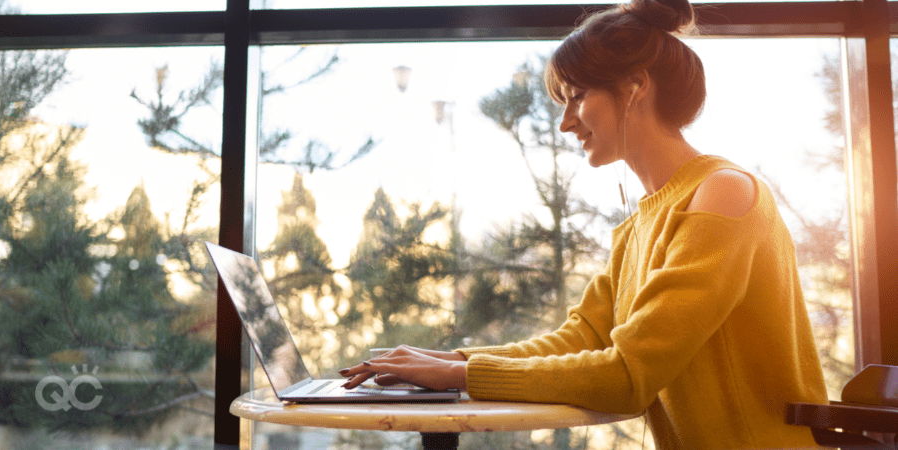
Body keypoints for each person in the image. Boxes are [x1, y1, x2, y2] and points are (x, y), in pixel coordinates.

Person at [340, 0, 830, 447]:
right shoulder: (645, 219)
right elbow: (581, 340)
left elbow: (627, 375)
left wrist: (459, 377)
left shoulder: (724, 193)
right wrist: (453, 361)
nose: (566, 122)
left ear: (635, 85)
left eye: (576, 96)